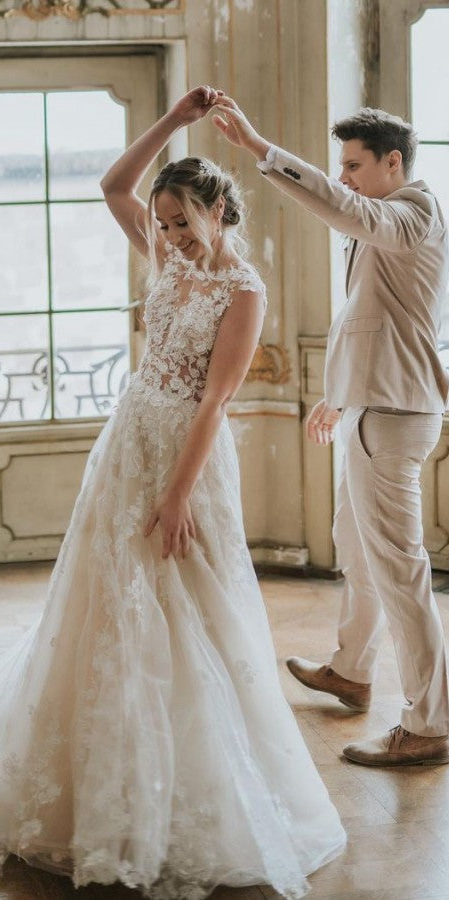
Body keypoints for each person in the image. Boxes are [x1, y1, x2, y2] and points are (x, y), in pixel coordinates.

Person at [0, 86, 345, 899]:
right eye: (168, 221)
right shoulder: (163, 257)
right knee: (108, 594)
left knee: (187, 597)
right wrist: (173, 124)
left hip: (186, 454)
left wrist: (180, 495)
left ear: (221, 209)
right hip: (128, 443)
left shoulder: (243, 291)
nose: (175, 235)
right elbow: (114, 187)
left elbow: (216, 401)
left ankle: (188, 768)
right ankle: (92, 751)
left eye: (187, 219)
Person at [213, 95, 449, 767]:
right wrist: (337, 397)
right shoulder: (391, 223)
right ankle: (351, 670)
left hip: (393, 415)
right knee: (359, 546)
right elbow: (371, 320)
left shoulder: (415, 211)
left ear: (392, 162)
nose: (342, 177)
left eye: (351, 164)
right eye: (340, 166)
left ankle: (433, 721)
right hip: (371, 406)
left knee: (400, 571)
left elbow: (350, 212)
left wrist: (262, 149)